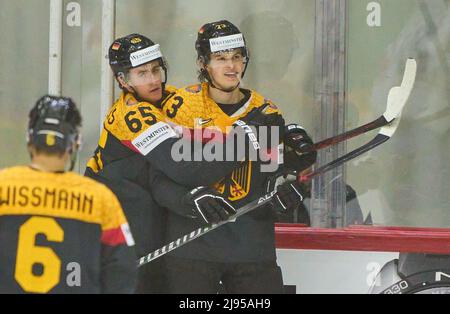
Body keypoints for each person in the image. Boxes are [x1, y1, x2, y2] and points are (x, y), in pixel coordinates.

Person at [85, 33, 280, 293]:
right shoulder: (131, 114)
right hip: (114, 223)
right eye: (142, 73)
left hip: (147, 219)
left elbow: (215, 135)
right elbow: (187, 168)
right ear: (123, 80)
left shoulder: (173, 100)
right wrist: (248, 137)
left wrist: (283, 136)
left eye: (156, 69)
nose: (153, 79)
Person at [155, 20, 317, 294]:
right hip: (192, 250)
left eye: (236, 57)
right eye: (220, 58)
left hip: (250, 252)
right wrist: (187, 199)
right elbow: (158, 180)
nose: (231, 66)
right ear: (204, 63)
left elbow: (270, 179)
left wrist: (286, 189)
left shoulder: (266, 113)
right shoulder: (179, 107)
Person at [0, 95, 136, 294]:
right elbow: (122, 271)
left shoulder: (3, 185)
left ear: (30, 138)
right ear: (73, 144)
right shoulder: (100, 198)